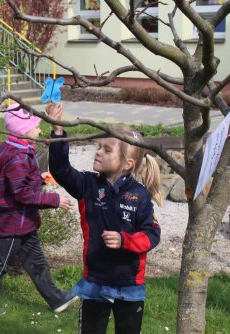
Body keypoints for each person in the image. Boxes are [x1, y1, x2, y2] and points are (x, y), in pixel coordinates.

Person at [47, 102, 162, 333]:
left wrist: (124, 241)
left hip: (129, 286)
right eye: (98, 146)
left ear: (127, 164)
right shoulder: (87, 185)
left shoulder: (139, 195)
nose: (98, 151)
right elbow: (60, 171)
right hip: (94, 283)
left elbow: (152, 234)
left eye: (107, 149)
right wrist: (58, 131)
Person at [0, 103, 79, 316]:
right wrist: (54, 200)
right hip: (12, 224)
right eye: (36, 127)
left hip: (24, 222)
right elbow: (22, 194)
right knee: (0, 264)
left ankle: (56, 300)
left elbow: (22, 185)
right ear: (22, 131)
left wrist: (40, 179)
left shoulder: (19, 151)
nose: (39, 131)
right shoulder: (18, 158)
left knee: (37, 262)